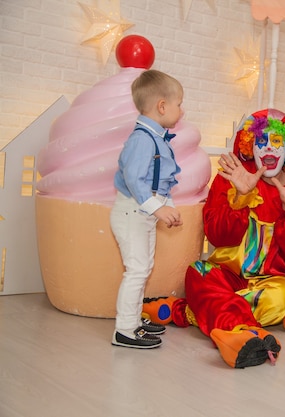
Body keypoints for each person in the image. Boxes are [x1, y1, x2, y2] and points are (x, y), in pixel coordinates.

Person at [170, 109, 285, 368]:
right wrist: (239, 199)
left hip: (272, 283)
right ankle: (244, 330)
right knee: (198, 272)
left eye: (277, 141)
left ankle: (197, 312)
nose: (269, 148)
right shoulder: (233, 178)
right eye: (262, 141)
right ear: (250, 146)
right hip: (227, 275)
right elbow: (216, 235)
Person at [110, 69, 184, 349]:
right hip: (132, 212)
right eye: (179, 104)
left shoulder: (156, 137)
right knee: (137, 270)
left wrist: (168, 207)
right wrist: (157, 208)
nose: (181, 110)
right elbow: (134, 179)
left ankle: (134, 321)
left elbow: (160, 180)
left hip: (142, 213)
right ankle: (124, 329)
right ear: (162, 106)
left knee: (144, 267)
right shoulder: (143, 138)